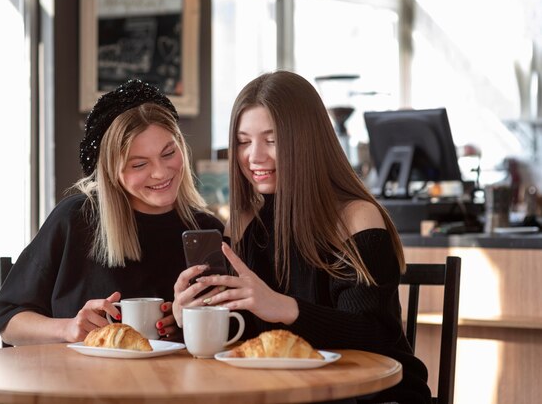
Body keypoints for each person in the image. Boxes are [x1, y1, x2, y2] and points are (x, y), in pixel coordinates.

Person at [173, 71, 431, 404]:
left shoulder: (356, 217)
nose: (254, 156)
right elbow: (237, 339)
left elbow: (373, 336)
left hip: (371, 394)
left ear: (306, 140)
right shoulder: (243, 223)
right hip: (285, 392)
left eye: (272, 139)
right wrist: (190, 316)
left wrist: (283, 308)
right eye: (243, 141)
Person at [0, 79, 224, 345]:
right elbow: (8, 321)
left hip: (171, 385)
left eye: (168, 153)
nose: (160, 172)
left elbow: (230, 333)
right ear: (111, 172)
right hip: (82, 384)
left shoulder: (207, 231)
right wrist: (69, 329)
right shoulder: (76, 219)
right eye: (139, 164)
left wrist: (187, 326)